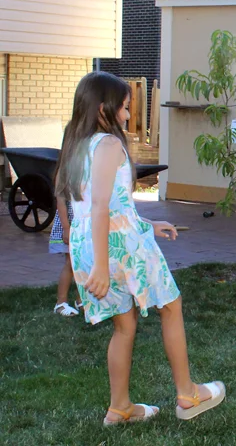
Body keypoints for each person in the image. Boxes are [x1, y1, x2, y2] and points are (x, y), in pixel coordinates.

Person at [55, 71, 226, 425]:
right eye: (123, 107)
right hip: (118, 247)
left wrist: (147, 224)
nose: (127, 115)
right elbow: (101, 205)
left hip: (89, 244)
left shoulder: (76, 145)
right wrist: (102, 266)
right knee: (171, 305)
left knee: (124, 324)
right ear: (103, 108)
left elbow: (100, 206)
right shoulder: (109, 145)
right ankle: (188, 394)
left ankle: (120, 407)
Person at [50, 194, 81, 317]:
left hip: (85, 223)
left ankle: (81, 300)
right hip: (71, 223)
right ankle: (61, 302)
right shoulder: (64, 180)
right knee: (71, 263)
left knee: (84, 264)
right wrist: (66, 228)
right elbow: (61, 200)